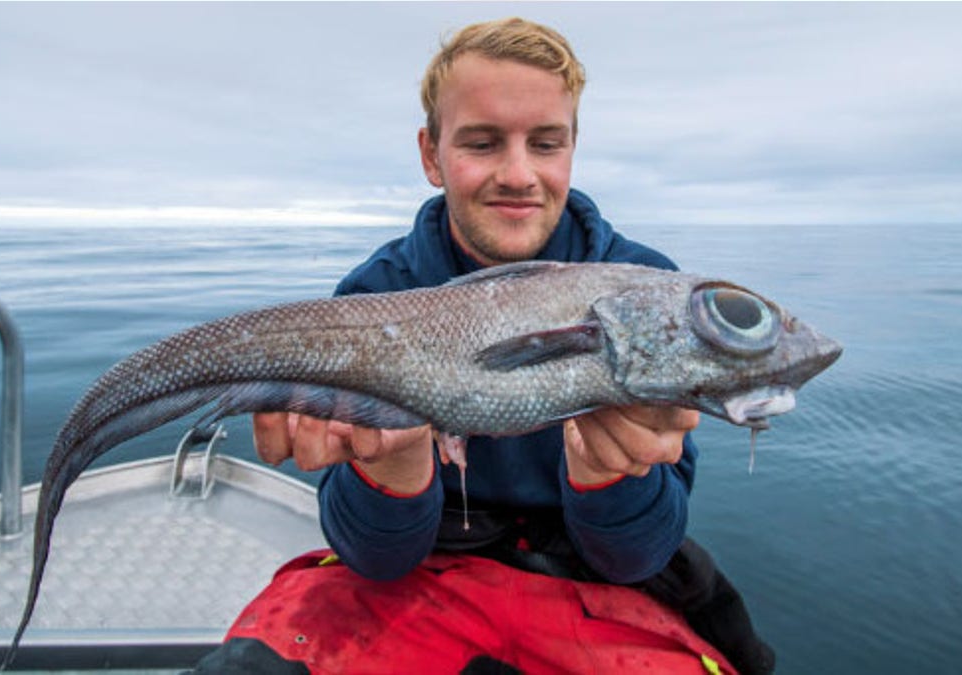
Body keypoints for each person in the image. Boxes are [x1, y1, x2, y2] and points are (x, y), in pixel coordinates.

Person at [191, 17, 774, 675]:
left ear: (573, 149)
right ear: (431, 155)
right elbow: (376, 557)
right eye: (483, 143)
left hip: (598, 593)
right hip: (421, 580)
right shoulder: (373, 295)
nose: (519, 174)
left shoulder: (650, 290)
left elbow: (637, 555)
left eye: (546, 143)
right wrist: (392, 471)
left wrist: (612, 478)